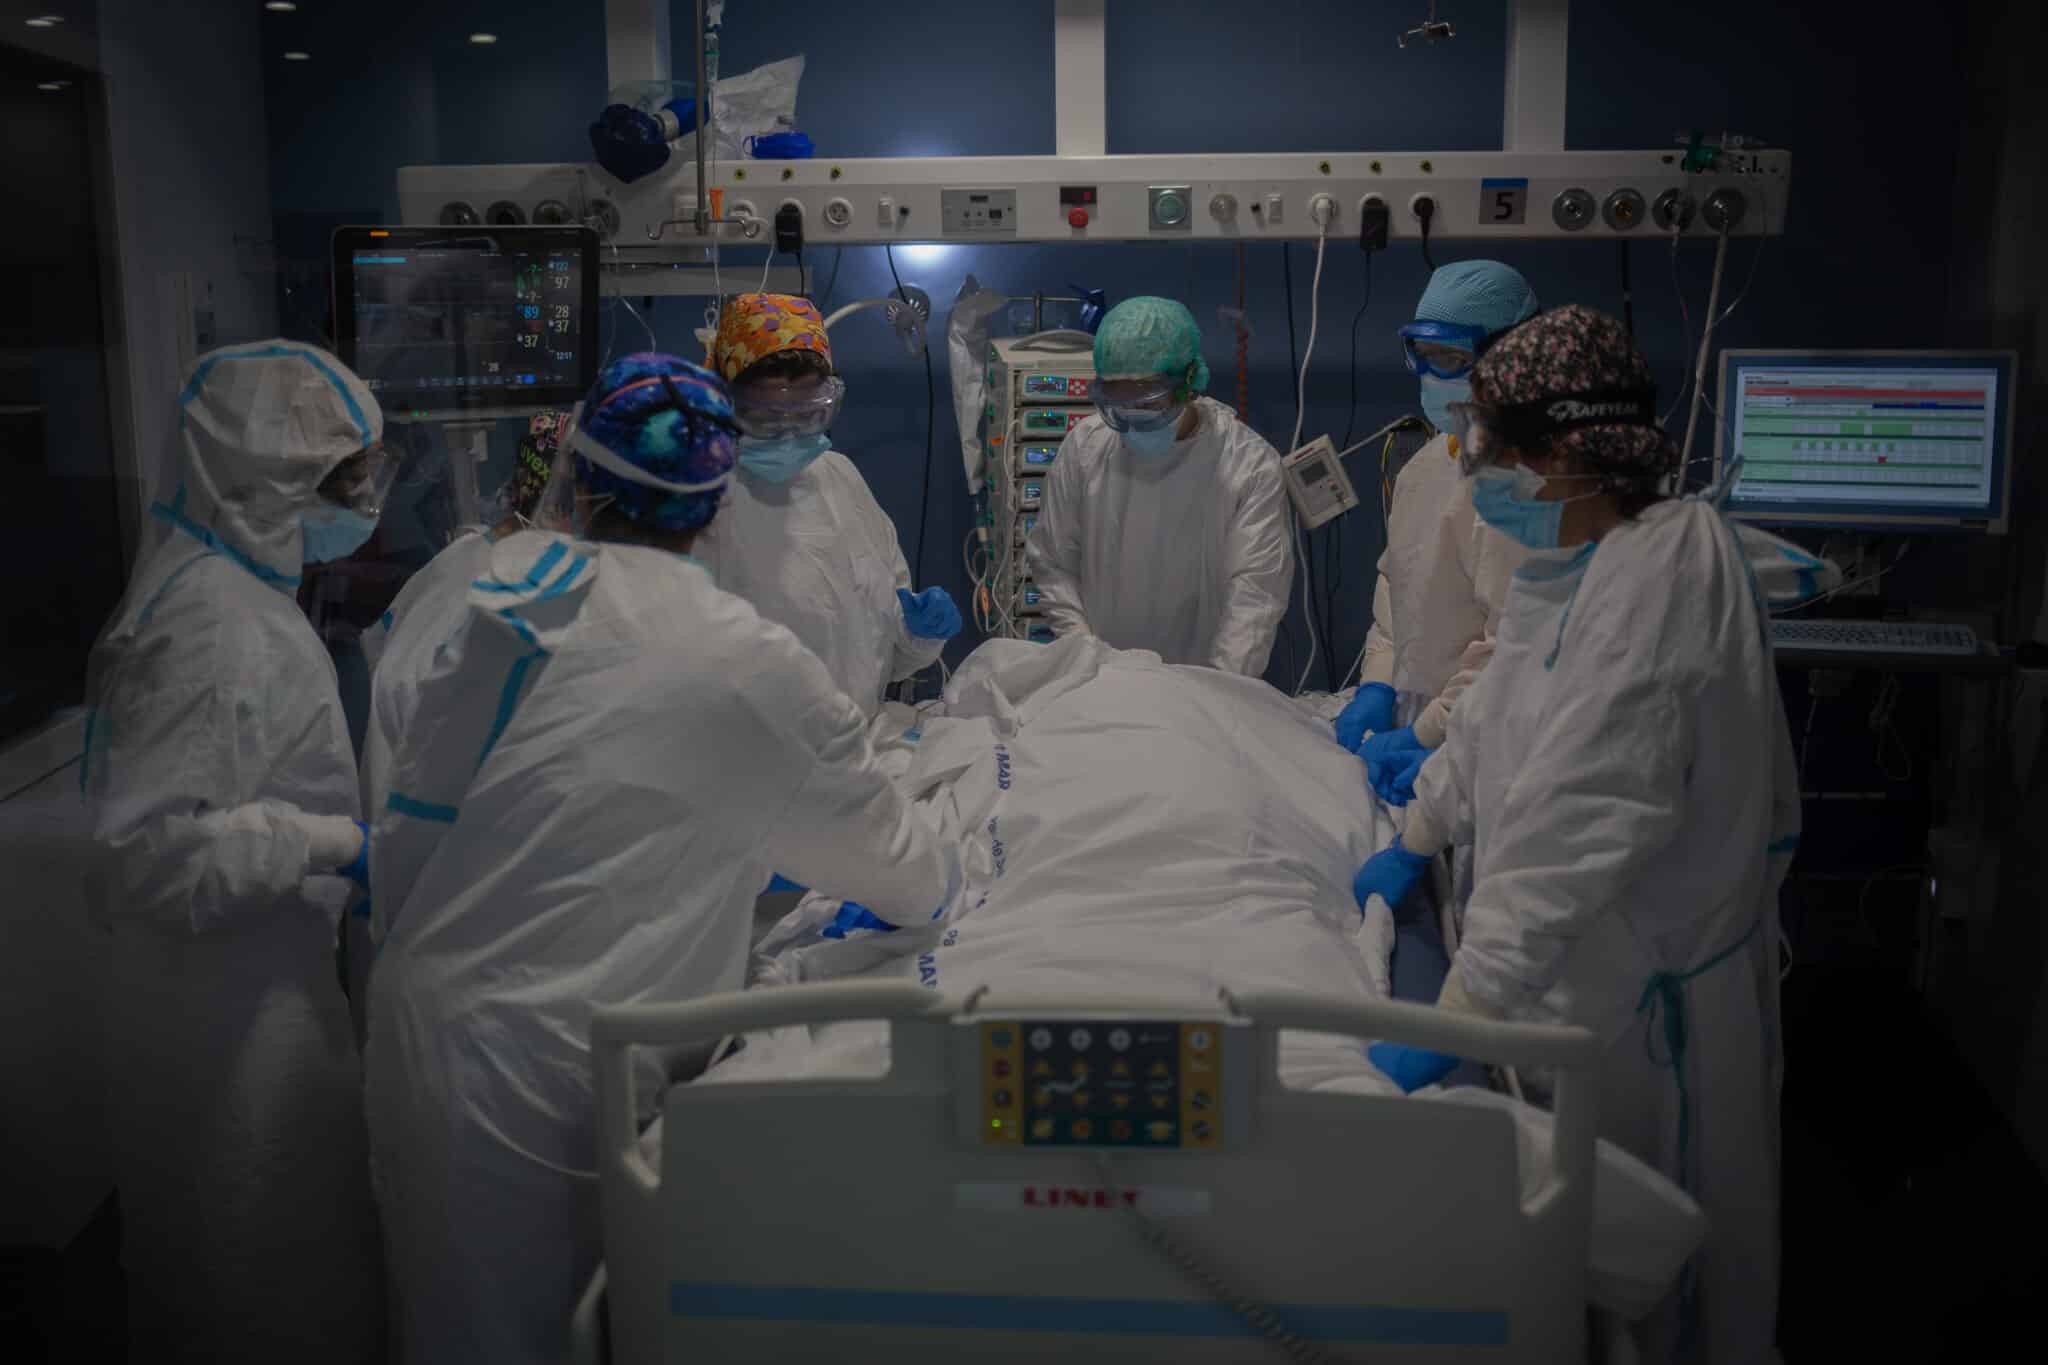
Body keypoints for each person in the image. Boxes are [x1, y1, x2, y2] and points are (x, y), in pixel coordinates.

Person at [362, 353, 960, 1365]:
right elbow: (903, 870)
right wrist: (921, 875)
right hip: (575, 1068)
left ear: (580, 482)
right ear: (717, 502)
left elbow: (416, 827)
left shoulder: (509, 599)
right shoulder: (747, 658)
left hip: (438, 1041)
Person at [1352, 306, 1821, 1362]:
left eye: (1496, 448)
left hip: (1650, 1003)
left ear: (1571, 446)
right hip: (1567, 974)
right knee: (1576, 1274)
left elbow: (1582, 816)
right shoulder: (1568, 562)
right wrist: (1420, 832)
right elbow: (1486, 723)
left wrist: (1459, 1018)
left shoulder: (1662, 580)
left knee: (1670, 1284)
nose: (1477, 470)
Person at [81, 341, 388, 1363]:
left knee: (264, 1269)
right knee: (260, 1282)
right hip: (226, 1022)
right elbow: (151, 856)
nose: (363, 500)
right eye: (339, 481)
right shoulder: (214, 624)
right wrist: (333, 842)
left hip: (235, 986)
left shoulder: (223, 588)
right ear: (261, 482)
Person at [693, 292, 960, 716]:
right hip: (749, 757)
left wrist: (918, 636)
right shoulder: (700, 501)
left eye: (807, 413)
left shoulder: (840, 480)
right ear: (726, 400)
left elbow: (881, 649)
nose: (789, 433)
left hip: (854, 744)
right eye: (766, 416)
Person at [1337, 262, 1540, 811]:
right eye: (1420, 354)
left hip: (1488, 744)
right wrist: (1378, 681)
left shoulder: (1528, 484)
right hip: (1416, 735)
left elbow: (1515, 649)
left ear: (1508, 354)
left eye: (1449, 357)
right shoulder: (1425, 468)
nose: (1431, 373)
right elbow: (1397, 586)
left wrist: (1432, 735)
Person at [1026, 296, 1293, 675]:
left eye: (1147, 396)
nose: (1133, 411)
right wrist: (1086, 658)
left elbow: (1255, 597)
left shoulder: (1248, 466)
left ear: (1190, 381)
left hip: (1204, 686)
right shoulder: (1086, 448)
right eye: (1118, 397)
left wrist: (1217, 692)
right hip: (1100, 680)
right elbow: (1053, 563)